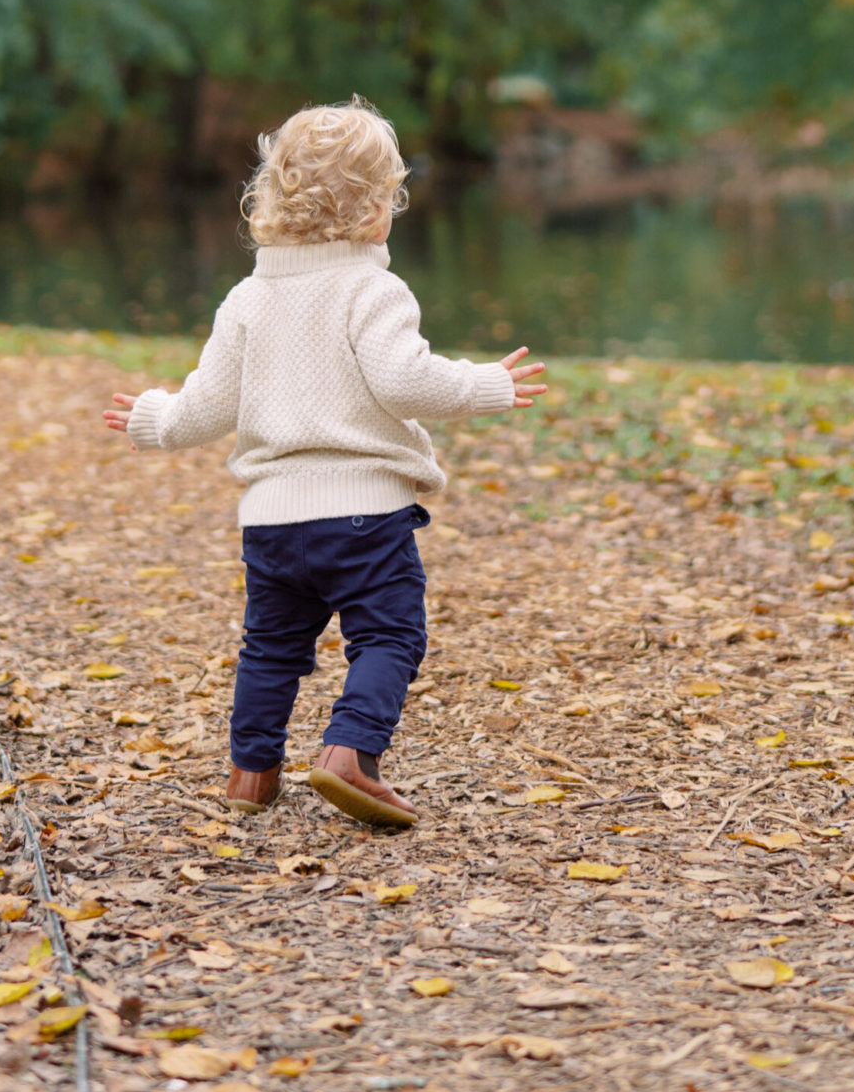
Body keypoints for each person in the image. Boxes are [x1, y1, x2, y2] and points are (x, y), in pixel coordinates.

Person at [103, 99, 547, 829]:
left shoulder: (248, 298)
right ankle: (350, 753)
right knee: (390, 635)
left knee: (271, 648)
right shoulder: (373, 290)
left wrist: (156, 418)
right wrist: (486, 385)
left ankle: (252, 773)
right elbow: (405, 381)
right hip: (364, 512)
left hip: (272, 520)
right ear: (378, 210)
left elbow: (210, 405)